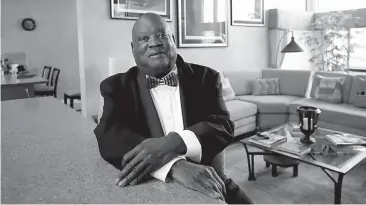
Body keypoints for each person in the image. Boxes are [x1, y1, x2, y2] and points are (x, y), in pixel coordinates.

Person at [94, 13, 253, 204]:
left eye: (161, 35)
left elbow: (223, 126)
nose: (154, 43)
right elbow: (109, 136)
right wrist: (174, 165)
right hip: (153, 192)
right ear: (133, 48)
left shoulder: (206, 78)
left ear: (173, 40)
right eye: (144, 38)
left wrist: (172, 143)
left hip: (212, 185)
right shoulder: (116, 87)